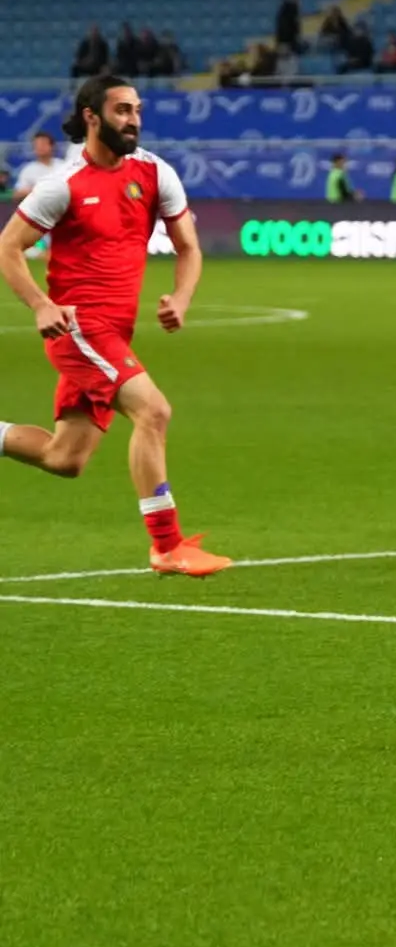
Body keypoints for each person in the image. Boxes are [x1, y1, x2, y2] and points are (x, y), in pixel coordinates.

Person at [0, 75, 229, 576]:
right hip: (80, 330)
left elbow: (189, 246)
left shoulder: (153, 172)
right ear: (92, 117)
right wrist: (40, 304)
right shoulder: (62, 185)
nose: (134, 121)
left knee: (66, 458)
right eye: (123, 110)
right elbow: (8, 247)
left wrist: (183, 298)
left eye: (138, 110)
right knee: (154, 411)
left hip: (113, 333)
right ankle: (167, 546)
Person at [13, 132, 65, 260]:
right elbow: (17, 193)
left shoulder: (63, 166)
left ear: (52, 146)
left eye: (43, 144)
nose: (40, 147)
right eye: (37, 145)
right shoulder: (29, 170)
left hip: (63, 215)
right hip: (39, 216)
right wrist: (38, 191)